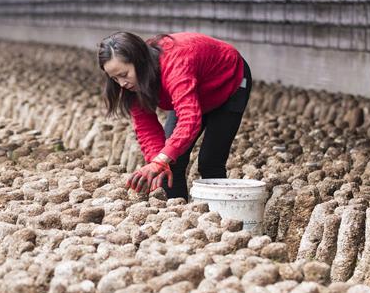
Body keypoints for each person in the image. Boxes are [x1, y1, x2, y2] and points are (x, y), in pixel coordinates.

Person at [97, 31, 253, 199]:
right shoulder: (132, 86)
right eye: (114, 78)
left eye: (124, 74)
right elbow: (145, 127)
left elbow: (189, 119)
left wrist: (160, 160)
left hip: (229, 82)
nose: (122, 83)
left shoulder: (176, 63)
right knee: (170, 163)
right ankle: (176, 211)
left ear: (140, 61)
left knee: (210, 161)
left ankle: (221, 216)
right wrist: (158, 163)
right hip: (192, 92)